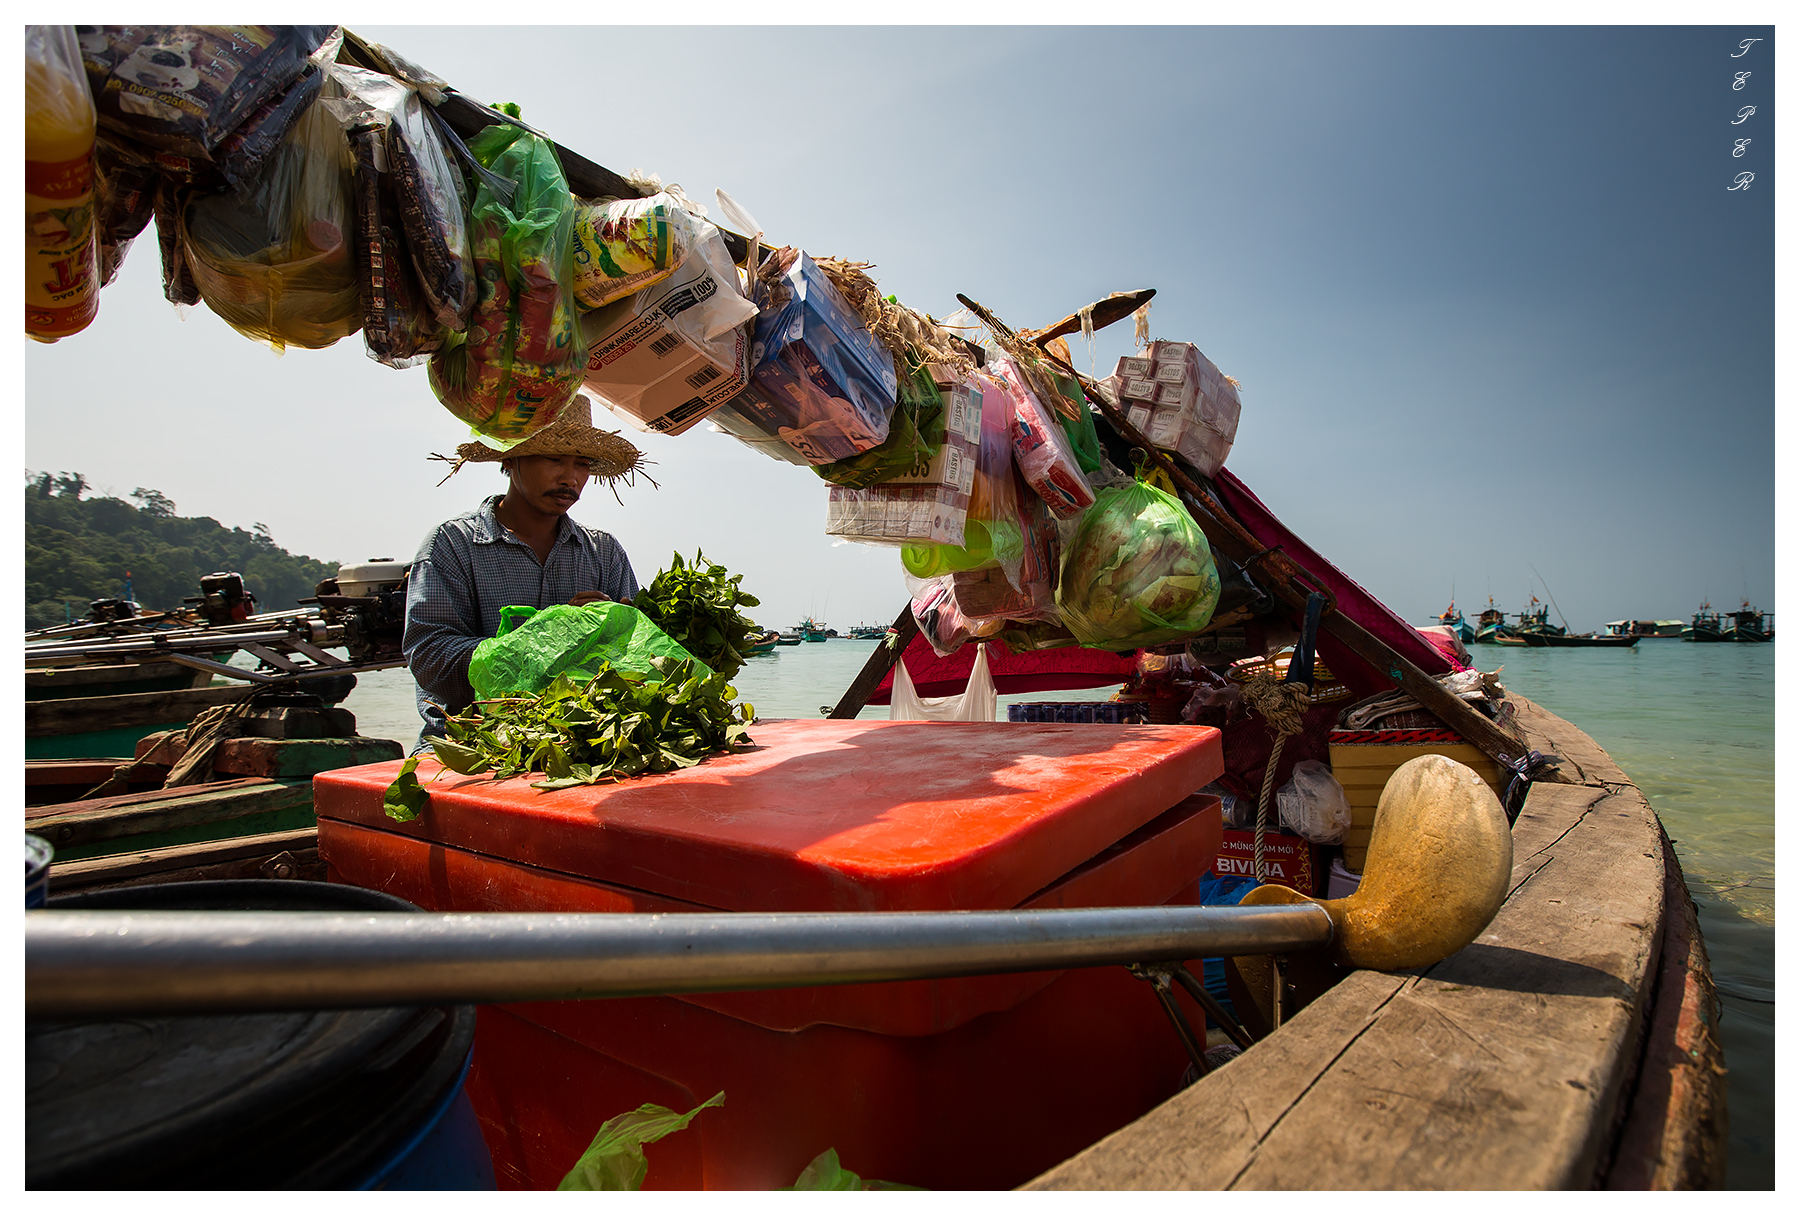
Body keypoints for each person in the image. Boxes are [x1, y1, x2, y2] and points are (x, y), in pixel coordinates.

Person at [403, 396, 649, 752]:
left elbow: (642, 657)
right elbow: (430, 659)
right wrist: (544, 641)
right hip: (471, 745)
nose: (570, 478)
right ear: (510, 457)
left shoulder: (603, 552)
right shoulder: (453, 544)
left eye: (582, 465)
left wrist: (611, 625)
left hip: (581, 743)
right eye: (554, 459)